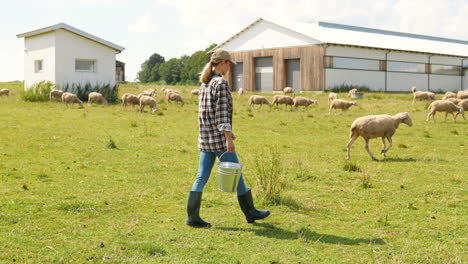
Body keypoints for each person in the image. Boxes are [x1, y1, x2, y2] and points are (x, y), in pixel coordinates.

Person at [186, 48, 270, 228]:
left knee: (201, 177)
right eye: (229, 64)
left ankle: (192, 217)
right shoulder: (221, 84)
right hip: (219, 140)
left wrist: (228, 132)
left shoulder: (205, 83)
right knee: (236, 173)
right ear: (222, 63)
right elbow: (222, 115)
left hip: (206, 138)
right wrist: (228, 139)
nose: (230, 67)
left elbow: (206, 114)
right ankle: (250, 212)